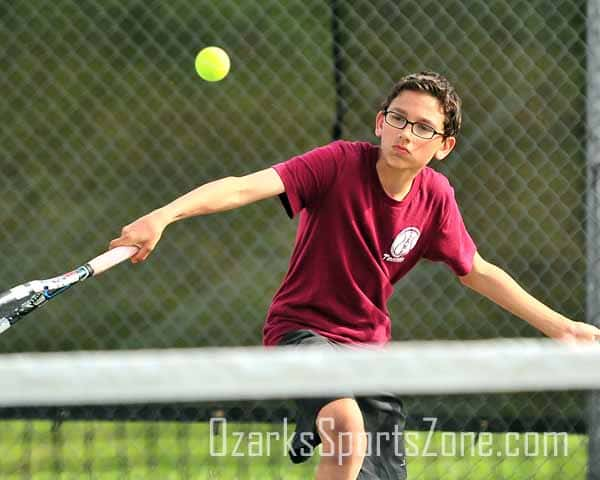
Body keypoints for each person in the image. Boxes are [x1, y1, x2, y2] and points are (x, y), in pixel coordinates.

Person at [109, 71, 600, 480]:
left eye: (423, 128)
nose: (406, 133)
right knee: (347, 435)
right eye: (398, 119)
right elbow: (244, 187)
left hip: (368, 353)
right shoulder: (339, 163)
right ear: (380, 122)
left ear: (444, 145)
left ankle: (316, 420)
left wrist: (562, 327)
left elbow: (475, 270)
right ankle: (323, 415)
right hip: (300, 333)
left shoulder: (436, 197)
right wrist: (163, 216)